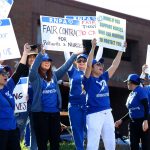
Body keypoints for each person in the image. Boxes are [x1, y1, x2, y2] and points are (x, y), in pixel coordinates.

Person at [29, 46, 83, 150]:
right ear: (39, 63)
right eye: (44, 61)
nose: (47, 62)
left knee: (55, 143)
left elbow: (65, 67)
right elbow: (33, 69)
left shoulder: (53, 76)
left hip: (54, 114)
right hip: (40, 114)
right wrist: (40, 55)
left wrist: (74, 55)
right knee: (42, 143)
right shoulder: (34, 77)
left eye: (49, 61)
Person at [82, 38, 124, 150]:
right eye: (98, 64)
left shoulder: (104, 77)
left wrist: (121, 49)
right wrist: (93, 47)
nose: (101, 66)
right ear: (92, 68)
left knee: (110, 143)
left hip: (107, 113)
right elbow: (88, 65)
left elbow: (114, 65)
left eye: (102, 64)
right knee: (93, 144)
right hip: (94, 114)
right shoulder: (87, 80)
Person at [0, 43, 30, 150]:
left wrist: (25, 53)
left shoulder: (9, 86)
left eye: (6, 73)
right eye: (2, 73)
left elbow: (19, 71)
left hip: (12, 129)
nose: (6, 75)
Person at [115, 74, 149, 150]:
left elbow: (146, 106)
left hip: (143, 121)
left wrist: (146, 120)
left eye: (127, 82)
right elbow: (131, 110)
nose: (126, 84)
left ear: (131, 82)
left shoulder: (140, 91)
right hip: (133, 122)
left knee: (146, 145)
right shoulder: (131, 93)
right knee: (133, 145)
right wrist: (122, 120)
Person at [15, 44, 38, 150]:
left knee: (35, 131)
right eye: (30, 57)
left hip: (36, 106)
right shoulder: (22, 71)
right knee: (19, 129)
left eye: (34, 57)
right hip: (23, 105)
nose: (32, 59)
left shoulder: (40, 72)